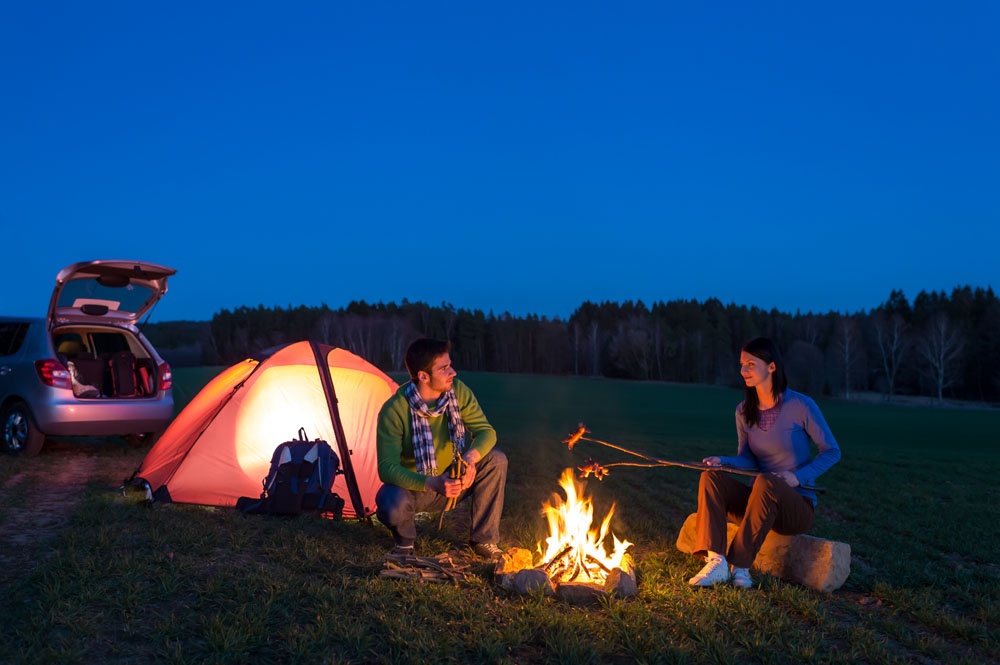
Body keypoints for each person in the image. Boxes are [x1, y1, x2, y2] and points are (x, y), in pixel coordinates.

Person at [688, 337, 841, 588]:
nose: (743, 370)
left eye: (751, 364)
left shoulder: (801, 405)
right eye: (741, 364)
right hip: (756, 504)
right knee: (710, 478)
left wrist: (797, 477)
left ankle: (741, 566)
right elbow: (747, 459)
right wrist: (722, 461)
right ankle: (716, 562)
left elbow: (832, 451)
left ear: (771, 367)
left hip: (795, 507)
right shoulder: (743, 411)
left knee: (766, 481)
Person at [375, 338, 507, 559]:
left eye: (450, 365)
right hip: (417, 488)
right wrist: (431, 482)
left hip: (455, 479)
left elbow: (486, 432)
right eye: (444, 368)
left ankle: (484, 540)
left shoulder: (458, 392)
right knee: (389, 500)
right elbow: (387, 468)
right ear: (423, 376)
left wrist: (470, 460)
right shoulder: (394, 409)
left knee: (496, 459)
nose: (452, 372)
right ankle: (405, 543)